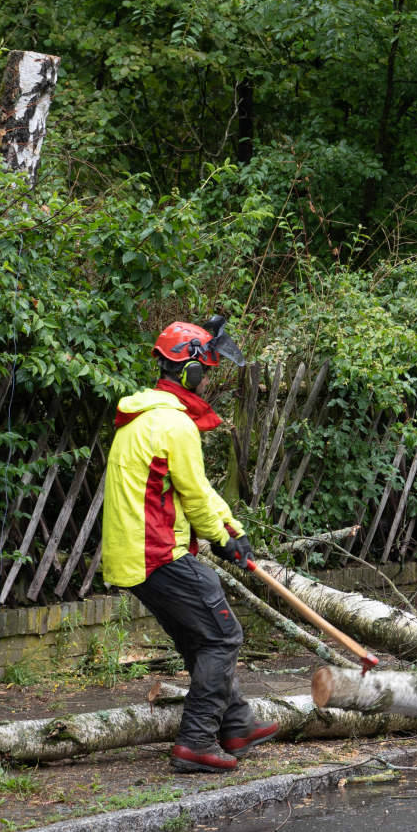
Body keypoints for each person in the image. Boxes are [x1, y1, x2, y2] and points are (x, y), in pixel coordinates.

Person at [102, 316, 277, 774]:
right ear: (188, 369)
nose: (207, 377)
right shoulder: (172, 425)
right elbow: (196, 497)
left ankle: (236, 725)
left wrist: (231, 530)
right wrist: (221, 539)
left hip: (136, 554)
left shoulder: (144, 418)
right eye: (205, 369)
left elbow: (195, 488)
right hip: (158, 553)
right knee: (223, 636)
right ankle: (196, 741)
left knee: (203, 639)